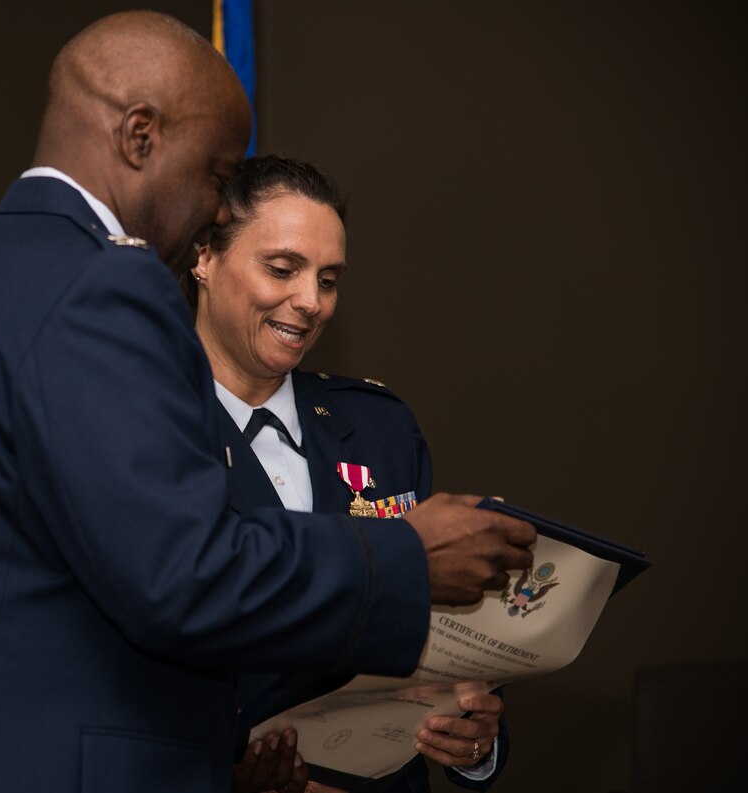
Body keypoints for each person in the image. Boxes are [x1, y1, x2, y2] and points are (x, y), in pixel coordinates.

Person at [0, 11, 535, 793]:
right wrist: (409, 557)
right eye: (217, 174)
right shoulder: (102, 284)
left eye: (330, 277)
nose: (217, 207)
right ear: (139, 136)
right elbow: (183, 574)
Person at [186, 155, 507, 793]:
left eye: (328, 280)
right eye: (282, 269)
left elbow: (444, 632)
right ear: (204, 257)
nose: (310, 302)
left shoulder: (379, 426)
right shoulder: (147, 429)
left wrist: (473, 738)